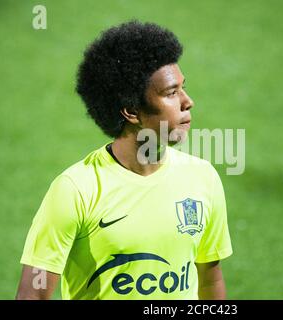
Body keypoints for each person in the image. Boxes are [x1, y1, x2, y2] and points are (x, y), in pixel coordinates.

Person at [16, 20, 232, 300]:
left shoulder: (203, 178)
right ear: (131, 111)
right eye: (171, 93)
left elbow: (210, 281)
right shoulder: (75, 190)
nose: (187, 101)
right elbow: (32, 296)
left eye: (183, 88)